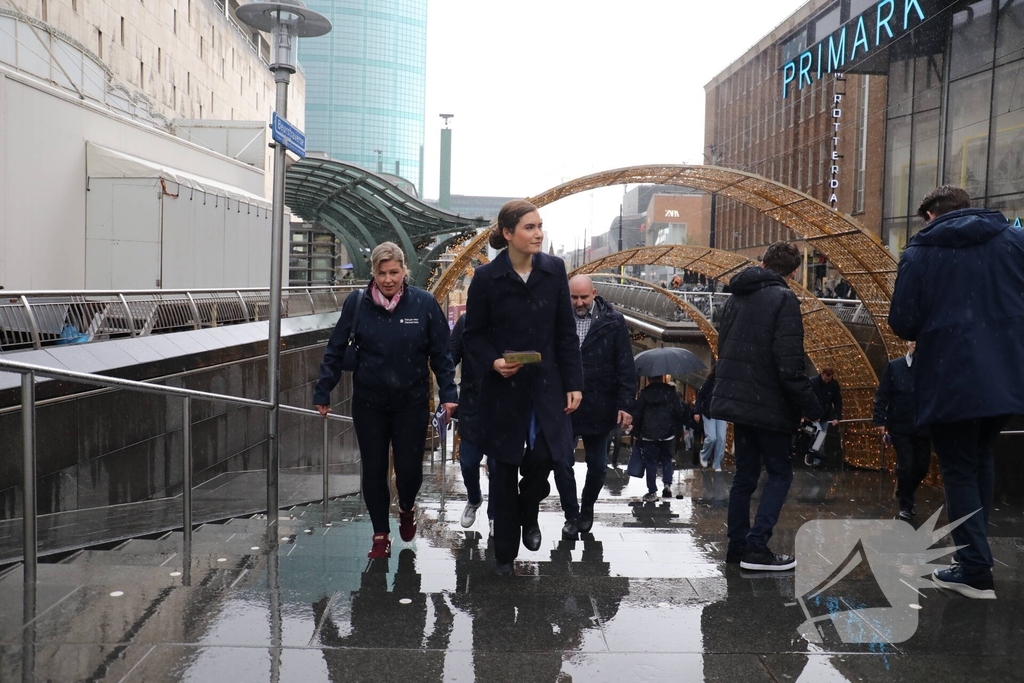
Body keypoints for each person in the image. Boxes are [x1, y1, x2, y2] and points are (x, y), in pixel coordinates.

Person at [889, 185, 1024, 600]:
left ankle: (974, 568)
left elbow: (903, 323)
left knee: (960, 468)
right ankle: (974, 556)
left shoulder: (921, 253)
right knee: (981, 457)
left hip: (952, 377)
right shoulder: (1014, 240)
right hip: (1006, 372)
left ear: (931, 215)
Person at [313, 242, 457, 560]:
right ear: (374, 274)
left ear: (404, 270)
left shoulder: (423, 304)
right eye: (382, 273)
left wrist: (448, 394)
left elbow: (441, 354)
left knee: (408, 472)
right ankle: (380, 534)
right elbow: (336, 348)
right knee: (374, 470)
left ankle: (406, 506)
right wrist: (323, 390)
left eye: (394, 272)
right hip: (370, 402)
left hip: (412, 401)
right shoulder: (357, 303)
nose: (388, 279)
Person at [462, 200, 584, 575]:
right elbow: (474, 336)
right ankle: (504, 551)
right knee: (502, 467)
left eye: (540, 226)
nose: (538, 234)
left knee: (546, 458)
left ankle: (529, 512)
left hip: (547, 387)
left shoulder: (554, 270)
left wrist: (574, 382)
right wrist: (495, 361)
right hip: (505, 388)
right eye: (529, 227)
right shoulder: (486, 278)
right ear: (508, 233)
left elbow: (566, 334)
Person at [709, 241, 822, 571]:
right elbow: (789, 364)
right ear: (794, 271)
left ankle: (737, 547)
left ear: (763, 262)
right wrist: (811, 406)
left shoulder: (736, 296)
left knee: (744, 476)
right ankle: (757, 548)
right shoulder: (784, 298)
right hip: (770, 405)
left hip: (740, 403)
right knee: (779, 474)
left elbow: (725, 348)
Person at [552, 274, 635, 537]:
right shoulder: (557, 320)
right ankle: (571, 514)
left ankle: (587, 507)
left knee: (598, 466)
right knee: (562, 463)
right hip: (563, 405)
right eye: (574, 297)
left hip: (600, 405)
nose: (579, 303)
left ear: (594, 294)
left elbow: (625, 365)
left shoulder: (613, 322)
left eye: (584, 297)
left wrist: (626, 404)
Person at [872, 341, 931, 522]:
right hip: (900, 426)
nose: (915, 343)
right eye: (912, 340)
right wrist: (880, 420)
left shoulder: (930, 367)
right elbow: (882, 395)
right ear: (907, 344)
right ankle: (906, 505)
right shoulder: (894, 367)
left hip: (923, 426)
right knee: (906, 466)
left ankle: (904, 491)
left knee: (922, 467)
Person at [449, 313, 494, 535]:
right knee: (468, 462)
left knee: (498, 467)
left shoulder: (514, 319)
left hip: (503, 405)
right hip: (472, 403)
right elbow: (450, 356)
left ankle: (495, 514)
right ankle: (474, 499)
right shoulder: (467, 322)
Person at [632, 375, 686, 501]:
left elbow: (638, 415)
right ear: (662, 378)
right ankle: (667, 484)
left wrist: (636, 432)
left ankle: (652, 491)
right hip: (667, 433)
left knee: (651, 463)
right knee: (667, 459)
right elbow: (678, 411)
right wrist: (678, 429)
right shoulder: (670, 392)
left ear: (649, 379)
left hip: (648, 434)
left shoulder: (644, 394)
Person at [807, 367, 842, 466]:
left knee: (819, 437)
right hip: (814, 416)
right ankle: (814, 457)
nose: (827, 381)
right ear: (822, 374)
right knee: (818, 436)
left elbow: (837, 401)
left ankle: (814, 458)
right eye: (826, 379)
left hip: (823, 415)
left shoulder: (833, 385)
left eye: (829, 379)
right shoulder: (813, 382)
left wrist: (837, 416)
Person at [695, 371, 727, 471]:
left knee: (721, 439)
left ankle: (717, 463)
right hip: (708, 412)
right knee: (712, 437)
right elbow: (700, 396)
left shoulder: (726, 383)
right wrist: (697, 411)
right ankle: (704, 455)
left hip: (721, 412)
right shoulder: (709, 382)